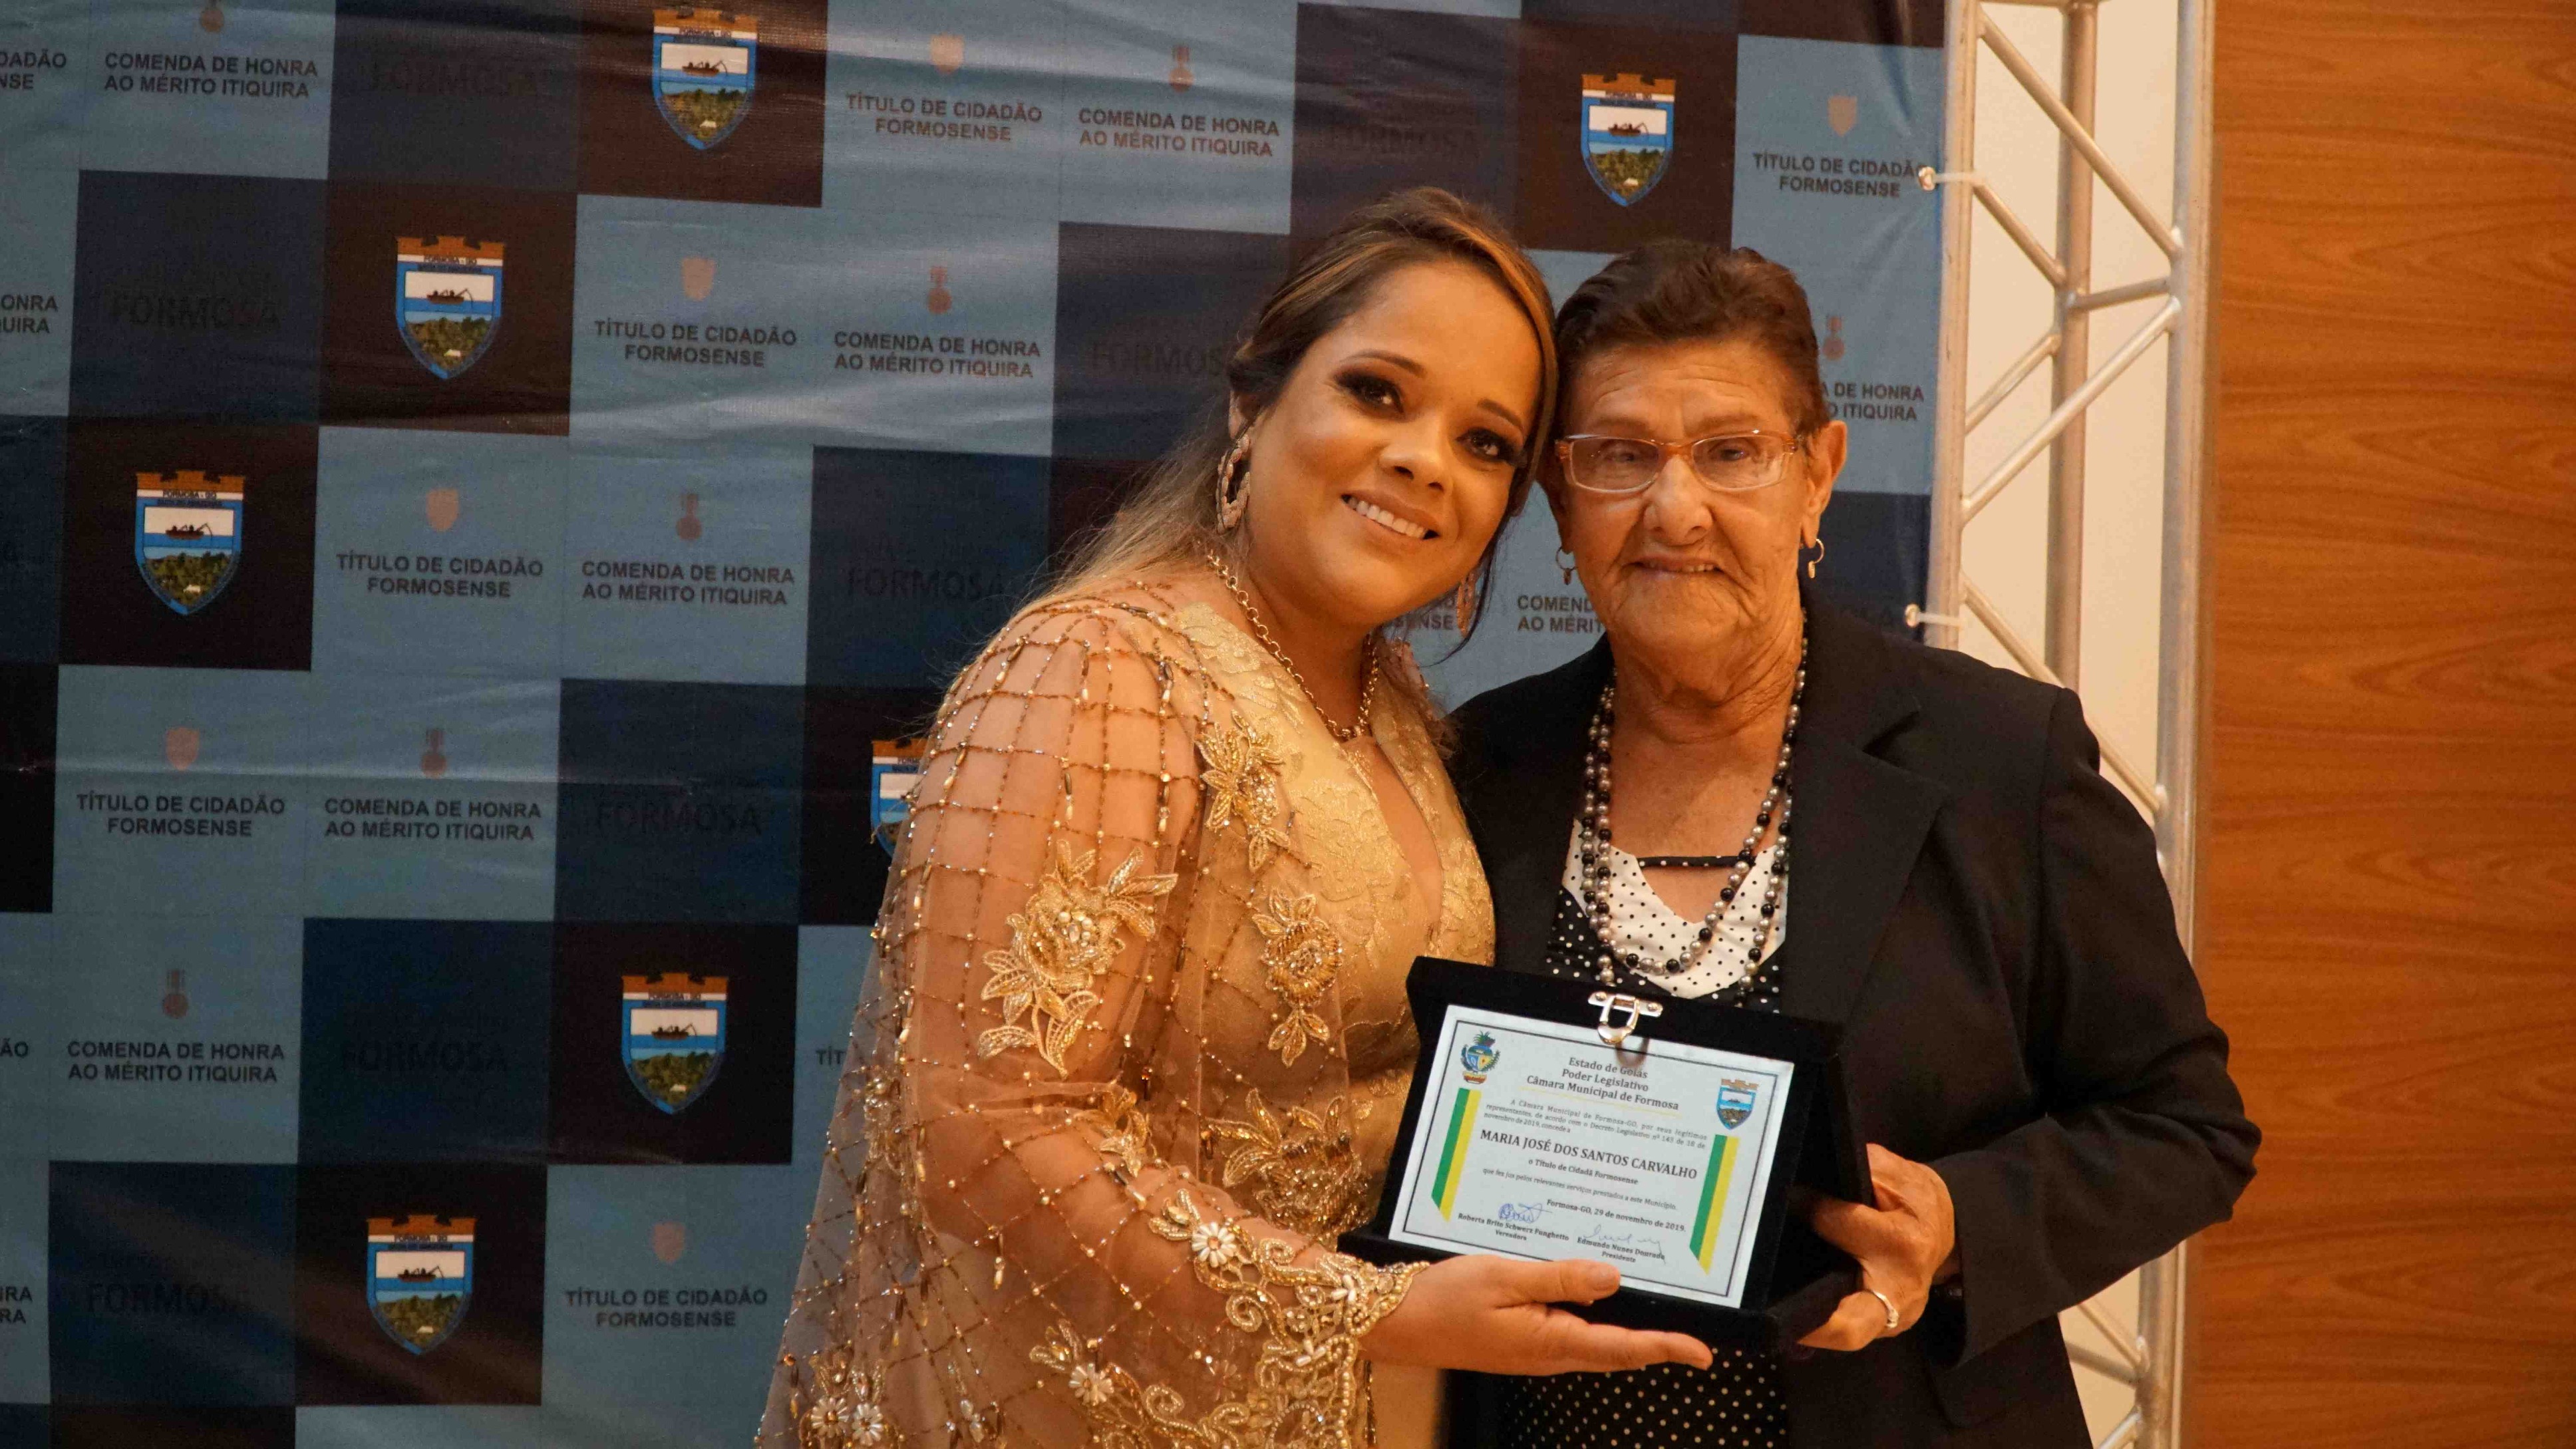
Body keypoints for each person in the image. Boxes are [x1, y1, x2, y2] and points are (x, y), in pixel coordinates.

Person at [762, 190, 1712, 1449]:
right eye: (1378, 391)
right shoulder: (1097, 668)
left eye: (1485, 442)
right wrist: (1366, 1309)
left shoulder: (1398, 710)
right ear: (1251, 403)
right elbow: (983, 1128)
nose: (1425, 458)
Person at [1442, 241, 2261, 1447]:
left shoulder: (1998, 758)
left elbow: (2185, 1126)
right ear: (1562, 500)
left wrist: (1961, 1221)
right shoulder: (1479, 764)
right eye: (1620, 456)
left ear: (1818, 473)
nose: (1675, 508)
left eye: (1731, 452)